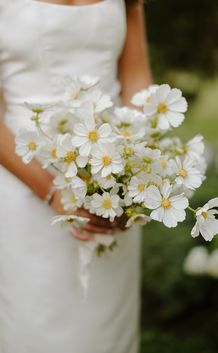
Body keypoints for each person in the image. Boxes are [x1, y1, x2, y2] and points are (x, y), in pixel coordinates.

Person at [0, 1, 152, 352]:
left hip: (110, 191)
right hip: (26, 190)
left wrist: (133, 181)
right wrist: (53, 191)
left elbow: (136, 81)